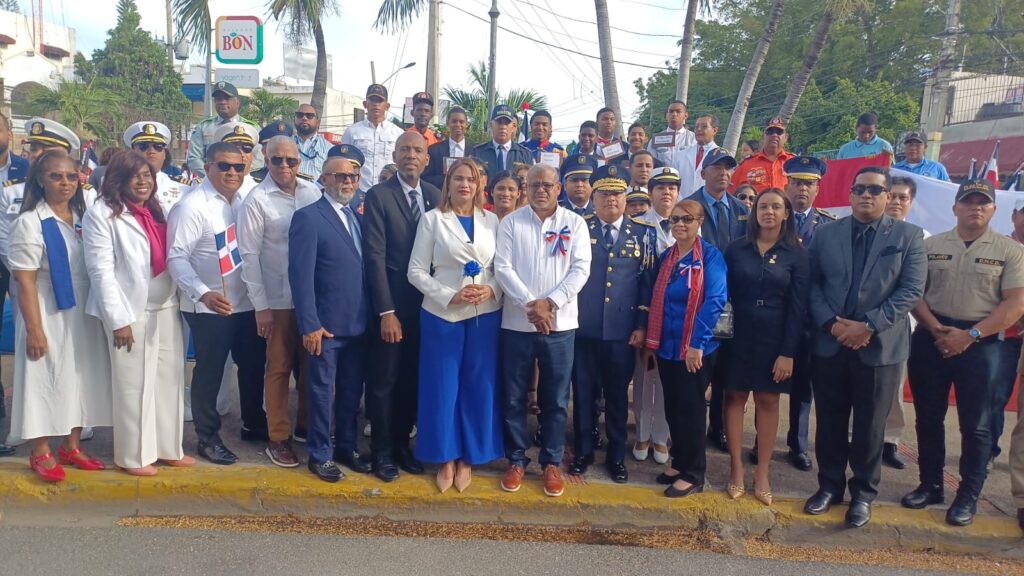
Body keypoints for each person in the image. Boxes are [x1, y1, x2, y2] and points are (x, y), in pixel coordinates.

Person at [803, 166, 926, 528]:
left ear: (888, 196)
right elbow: (813, 285)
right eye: (859, 189)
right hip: (832, 342)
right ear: (851, 194)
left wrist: (868, 325)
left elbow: (911, 290)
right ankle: (829, 487)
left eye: (874, 190)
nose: (866, 196)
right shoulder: (826, 234)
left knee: (871, 427)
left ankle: (863, 495)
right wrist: (832, 324)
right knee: (829, 421)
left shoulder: (907, 236)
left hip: (880, 346)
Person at [903, 179, 1024, 527]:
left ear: (993, 210)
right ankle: (930, 485)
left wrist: (970, 335)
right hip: (933, 336)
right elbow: (914, 292)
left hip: (984, 344)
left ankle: (968, 494)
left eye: (982, 203)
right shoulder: (931, 245)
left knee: (978, 425)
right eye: (968, 202)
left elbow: (1015, 303)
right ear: (955, 207)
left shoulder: (1010, 251)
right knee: (928, 417)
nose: (975, 208)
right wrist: (934, 328)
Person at [83, 151, 191, 476]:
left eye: (147, 175)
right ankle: (133, 456)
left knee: (169, 380)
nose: (143, 182)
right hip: (131, 312)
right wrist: (118, 321)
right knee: (134, 385)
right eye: (135, 176)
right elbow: (100, 271)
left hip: (165, 307)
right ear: (118, 179)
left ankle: (168, 448)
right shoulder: (102, 214)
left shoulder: (156, 209)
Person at [8, 150, 110, 482]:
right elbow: (24, 280)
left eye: (70, 176)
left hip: (82, 309)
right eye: (56, 176)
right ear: (40, 180)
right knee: (43, 376)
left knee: (79, 377)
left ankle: (71, 445)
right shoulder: (29, 222)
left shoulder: (84, 217)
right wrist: (34, 329)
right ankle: (40, 450)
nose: (65, 183)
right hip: (46, 307)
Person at [167, 142, 269, 465]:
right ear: (208, 167)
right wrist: (203, 293)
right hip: (211, 306)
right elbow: (176, 258)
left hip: (245, 303)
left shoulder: (246, 200)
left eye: (239, 167)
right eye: (224, 166)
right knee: (210, 372)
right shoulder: (191, 206)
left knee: (253, 366)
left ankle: (253, 422)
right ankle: (207, 437)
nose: (232, 173)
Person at [407, 158, 504, 493]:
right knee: (442, 386)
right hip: (442, 315)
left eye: (471, 179)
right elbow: (416, 271)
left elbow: (502, 267)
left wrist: (491, 288)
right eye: (459, 179)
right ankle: (445, 456)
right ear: (448, 184)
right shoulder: (433, 220)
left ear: (480, 186)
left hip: (484, 314)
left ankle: (470, 457)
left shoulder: (492, 220)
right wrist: (450, 295)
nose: (465, 185)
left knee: (479, 386)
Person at [494, 163, 591, 497]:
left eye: (546, 185)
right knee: (513, 396)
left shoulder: (574, 223)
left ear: (558, 188)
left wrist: (550, 303)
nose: (540, 190)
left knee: (556, 399)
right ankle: (516, 459)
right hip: (517, 324)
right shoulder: (511, 222)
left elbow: (581, 269)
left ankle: (551, 461)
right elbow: (502, 267)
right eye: (533, 185)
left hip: (560, 325)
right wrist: (531, 306)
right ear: (526, 188)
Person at [289, 149, 373, 483]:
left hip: (358, 325)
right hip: (325, 328)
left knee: (351, 393)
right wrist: (309, 324)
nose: (348, 181)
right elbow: (300, 277)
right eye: (340, 176)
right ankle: (320, 454)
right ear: (324, 179)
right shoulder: (308, 218)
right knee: (322, 393)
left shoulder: (357, 218)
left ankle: (346, 447)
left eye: (353, 176)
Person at [238, 136, 322, 469]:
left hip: (310, 299)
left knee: (311, 366)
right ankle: (278, 437)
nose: (284, 166)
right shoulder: (256, 200)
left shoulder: (312, 192)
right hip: (278, 300)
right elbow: (248, 257)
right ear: (266, 160)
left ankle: (305, 426)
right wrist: (261, 307)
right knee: (278, 369)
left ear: (299, 161)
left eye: (291, 160)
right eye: (277, 160)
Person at [570, 164, 657, 483]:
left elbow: (647, 283)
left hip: (622, 332)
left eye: (617, 193)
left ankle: (616, 456)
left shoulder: (644, 233)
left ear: (626, 196)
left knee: (618, 395)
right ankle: (583, 451)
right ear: (594, 197)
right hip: (583, 327)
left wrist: (641, 324)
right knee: (583, 393)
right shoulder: (580, 227)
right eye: (604, 193)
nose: (611, 199)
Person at [362, 131, 440, 482]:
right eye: (405, 149)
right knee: (384, 381)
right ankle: (381, 450)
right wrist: (386, 311)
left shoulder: (435, 196)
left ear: (426, 159)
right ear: (394, 155)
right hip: (391, 307)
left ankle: (401, 445)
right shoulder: (379, 196)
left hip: (426, 308)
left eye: (418, 150)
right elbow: (374, 257)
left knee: (411, 380)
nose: (411, 155)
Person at [723, 188, 809, 505]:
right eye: (763, 206)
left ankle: (761, 471)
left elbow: (798, 308)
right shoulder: (737, 249)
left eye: (776, 207)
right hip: (738, 334)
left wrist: (788, 353)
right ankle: (736, 467)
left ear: (786, 213)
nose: (769, 212)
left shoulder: (797, 254)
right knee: (734, 396)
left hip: (775, 336)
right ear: (755, 212)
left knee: (768, 399)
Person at [646, 199, 728, 498]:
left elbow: (715, 300)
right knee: (673, 407)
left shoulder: (710, 256)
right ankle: (679, 461)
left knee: (691, 409)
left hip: (695, 348)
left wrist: (697, 343)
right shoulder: (668, 257)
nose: (680, 224)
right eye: (675, 220)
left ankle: (694, 473)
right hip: (668, 346)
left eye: (687, 219)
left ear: (699, 222)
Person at [773, 156, 836, 472]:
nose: (802, 189)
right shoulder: (774, 219)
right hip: (777, 315)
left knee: (804, 388)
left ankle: (797, 445)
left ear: (817, 188)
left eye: (809, 184)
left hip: (812, 319)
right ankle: (762, 441)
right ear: (787, 185)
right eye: (797, 182)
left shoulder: (828, 226)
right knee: (767, 386)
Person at [686, 148, 749, 453]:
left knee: (726, 368)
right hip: (698, 298)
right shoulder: (690, 205)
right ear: (703, 173)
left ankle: (719, 427)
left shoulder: (741, 209)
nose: (723, 173)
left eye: (728, 168)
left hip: (733, 299)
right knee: (698, 369)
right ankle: (692, 432)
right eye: (716, 167)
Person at [631, 167, 682, 464]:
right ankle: (642, 433)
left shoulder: (688, 223)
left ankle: (661, 436)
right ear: (650, 193)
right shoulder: (639, 225)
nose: (667, 192)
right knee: (643, 378)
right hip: (646, 311)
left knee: (666, 380)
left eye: (672, 188)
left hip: (676, 316)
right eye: (660, 187)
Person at [880, 175, 919, 470]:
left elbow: (915, 288)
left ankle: (889, 441)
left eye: (902, 197)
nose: (895, 202)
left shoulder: (920, 237)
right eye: (891, 195)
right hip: (858, 325)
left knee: (893, 391)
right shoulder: (868, 230)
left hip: (898, 325)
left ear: (910, 202)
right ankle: (856, 437)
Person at [0, 112, 28, 455]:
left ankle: (25, 416)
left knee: (27, 337)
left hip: (23, 267)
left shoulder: (28, 170)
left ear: (9, 133)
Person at [186, 81, 261, 177]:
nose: (222, 102)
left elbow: (259, 158)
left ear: (237, 102)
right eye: (218, 99)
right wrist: (214, 176)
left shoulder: (252, 128)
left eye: (227, 98)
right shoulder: (203, 127)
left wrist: (238, 175)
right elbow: (193, 158)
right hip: (211, 181)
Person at [342, 84, 406, 193]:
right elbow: (344, 162)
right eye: (372, 100)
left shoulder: (398, 134)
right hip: (360, 192)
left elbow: (402, 164)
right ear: (365, 104)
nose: (376, 104)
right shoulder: (352, 132)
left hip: (389, 191)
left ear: (387, 106)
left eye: (380, 101)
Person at [123, 122, 190, 217]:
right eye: (143, 146)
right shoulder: (120, 185)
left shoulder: (184, 187)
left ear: (165, 154)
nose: (151, 151)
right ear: (132, 153)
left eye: (158, 147)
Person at [731, 116, 795, 193]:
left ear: (786, 137)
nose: (774, 135)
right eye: (770, 132)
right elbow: (731, 193)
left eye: (779, 132)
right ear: (763, 136)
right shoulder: (746, 164)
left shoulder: (794, 162)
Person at [472, 105, 532, 181]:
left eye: (506, 123)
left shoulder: (525, 154)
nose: (503, 127)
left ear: (513, 127)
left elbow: (529, 181)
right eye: (499, 122)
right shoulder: (477, 152)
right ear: (491, 125)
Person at [424, 106, 472, 190]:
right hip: (441, 194)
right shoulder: (434, 150)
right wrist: (448, 180)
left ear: (466, 124)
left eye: (461, 122)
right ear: (447, 123)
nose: (458, 125)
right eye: (454, 121)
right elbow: (426, 177)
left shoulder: (476, 149)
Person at [648, 100, 697, 174]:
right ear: (666, 115)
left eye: (678, 111)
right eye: (671, 111)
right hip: (663, 179)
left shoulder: (694, 139)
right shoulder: (656, 139)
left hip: (686, 179)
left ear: (686, 115)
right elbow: (649, 163)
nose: (674, 114)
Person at [678, 115, 720, 197]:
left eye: (704, 127)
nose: (699, 129)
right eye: (696, 127)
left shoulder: (720, 156)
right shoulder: (681, 155)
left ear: (714, 130)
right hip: (683, 202)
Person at [294, 104, 331, 180]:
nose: (304, 118)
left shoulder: (329, 149)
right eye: (300, 115)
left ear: (318, 122)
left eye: (309, 116)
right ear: (294, 120)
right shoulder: (284, 145)